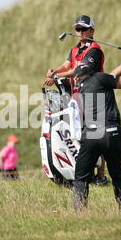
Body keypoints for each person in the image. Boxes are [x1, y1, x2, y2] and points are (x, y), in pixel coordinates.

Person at [46, 47, 121, 212]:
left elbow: (112, 75)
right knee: (117, 175)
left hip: (93, 134)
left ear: (79, 78)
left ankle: (80, 212)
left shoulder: (82, 88)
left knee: (80, 178)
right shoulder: (101, 78)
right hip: (113, 132)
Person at [43, 15, 108, 184]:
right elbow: (66, 65)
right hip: (77, 96)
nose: (80, 32)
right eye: (77, 29)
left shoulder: (95, 50)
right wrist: (54, 71)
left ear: (92, 30)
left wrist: (57, 75)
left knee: (97, 134)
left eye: (83, 29)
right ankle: (85, 170)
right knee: (79, 134)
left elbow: (79, 70)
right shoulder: (74, 49)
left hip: (95, 95)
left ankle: (101, 175)